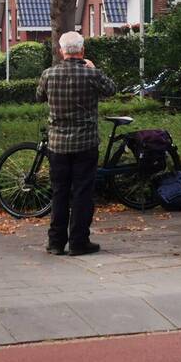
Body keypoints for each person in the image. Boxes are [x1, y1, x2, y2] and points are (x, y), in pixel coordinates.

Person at [36, 31, 116, 256]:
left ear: (61, 51)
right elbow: (111, 89)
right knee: (82, 192)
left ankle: (55, 242)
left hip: (57, 145)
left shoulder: (48, 74)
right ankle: (79, 242)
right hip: (85, 143)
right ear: (82, 51)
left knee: (59, 192)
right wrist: (91, 68)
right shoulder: (91, 74)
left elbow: (39, 96)